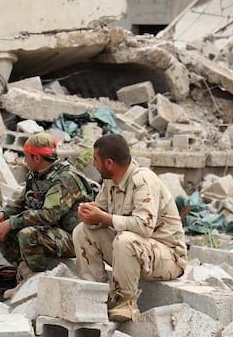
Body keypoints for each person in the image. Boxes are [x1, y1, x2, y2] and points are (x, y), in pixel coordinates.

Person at [73, 133, 187, 322]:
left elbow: (143, 227)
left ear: (109, 163)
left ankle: (126, 302)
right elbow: (102, 210)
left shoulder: (143, 181)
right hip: (135, 252)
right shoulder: (110, 180)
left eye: (95, 159)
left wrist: (104, 217)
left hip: (168, 257)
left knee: (125, 239)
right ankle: (95, 295)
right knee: (82, 231)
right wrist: (90, 214)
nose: (93, 164)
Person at [0, 132, 93, 298]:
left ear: (36, 158)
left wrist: (11, 223)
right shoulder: (36, 175)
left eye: (26, 156)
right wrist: (3, 214)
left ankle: (35, 283)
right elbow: (21, 202)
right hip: (52, 231)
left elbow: (48, 215)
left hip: (74, 239)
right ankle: (25, 273)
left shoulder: (65, 179)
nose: (24, 160)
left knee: (28, 235)